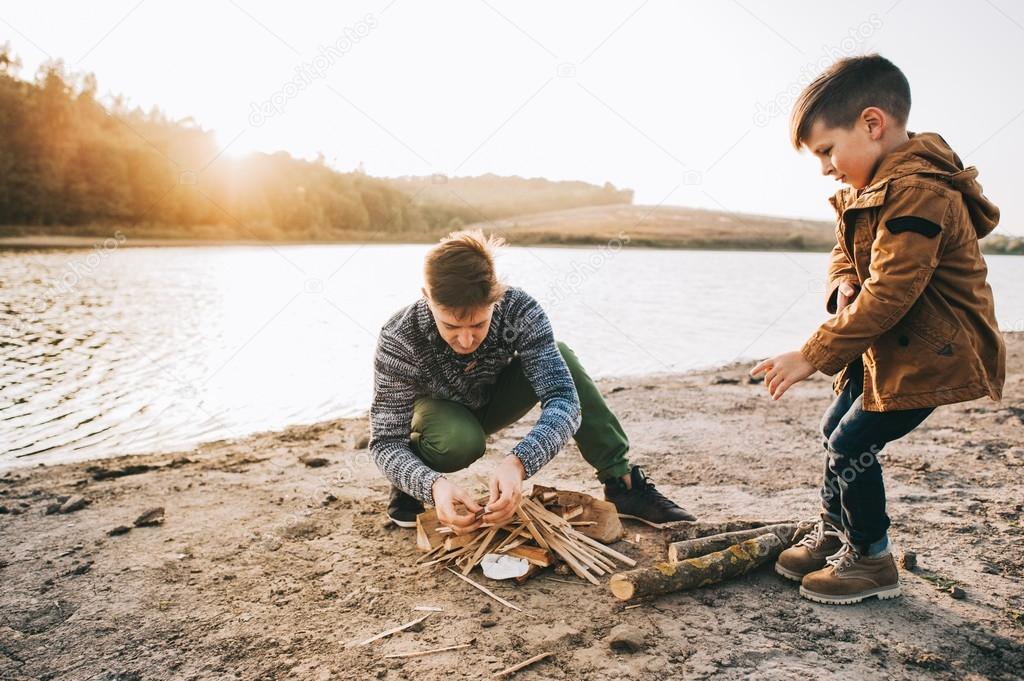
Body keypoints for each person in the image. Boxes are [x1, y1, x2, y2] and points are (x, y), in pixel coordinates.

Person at [750, 55, 1004, 605]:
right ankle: (837, 534)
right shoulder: (870, 188)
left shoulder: (919, 191)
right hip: (884, 348)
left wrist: (811, 354)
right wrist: (841, 284)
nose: (824, 168)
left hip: (935, 352)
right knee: (834, 428)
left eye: (826, 151)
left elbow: (892, 292)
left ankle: (871, 559)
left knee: (851, 442)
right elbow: (846, 254)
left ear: (872, 124)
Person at [370, 230, 696, 534]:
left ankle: (622, 484)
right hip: (439, 416)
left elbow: (564, 400)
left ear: (496, 297)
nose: (467, 340)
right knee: (460, 442)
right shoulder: (399, 337)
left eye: (479, 324)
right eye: (452, 327)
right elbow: (385, 441)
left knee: (562, 356)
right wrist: (433, 485)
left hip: (492, 398)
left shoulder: (520, 309)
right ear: (427, 297)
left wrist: (518, 463)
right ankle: (409, 482)